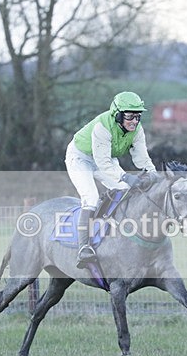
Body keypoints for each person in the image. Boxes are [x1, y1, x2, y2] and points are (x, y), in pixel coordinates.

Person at [65, 91, 157, 268]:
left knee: (125, 190)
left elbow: (141, 157)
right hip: (80, 157)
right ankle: (83, 247)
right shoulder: (103, 126)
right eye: (129, 116)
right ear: (118, 115)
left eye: (137, 116)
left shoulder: (137, 129)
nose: (134, 121)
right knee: (91, 198)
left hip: (104, 157)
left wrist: (152, 173)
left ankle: (115, 231)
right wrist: (126, 176)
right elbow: (103, 163)